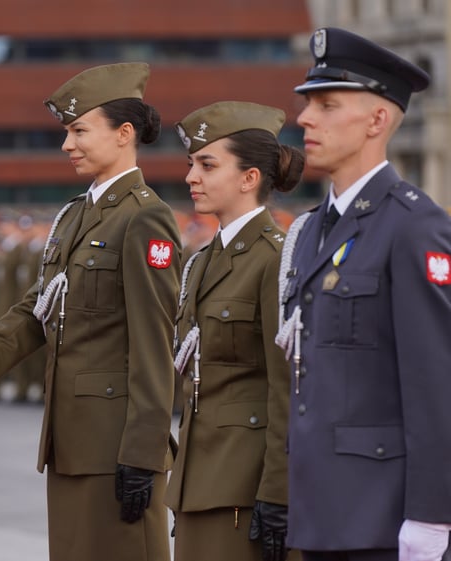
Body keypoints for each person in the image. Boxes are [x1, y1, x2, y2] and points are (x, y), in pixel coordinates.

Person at [0, 62, 181, 560]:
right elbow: (37, 309)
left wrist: (143, 455)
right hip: (73, 444)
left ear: (124, 134)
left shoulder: (145, 217)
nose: (67, 144)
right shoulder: (77, 214)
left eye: (79, 130)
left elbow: (156, 347)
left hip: (116, 450)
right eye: (66, 132)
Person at [276, 27, 451, 561]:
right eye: (308, 104)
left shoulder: (413, 227)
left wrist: (431, 518)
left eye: (328, 104)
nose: (305, 118)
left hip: (383, 522)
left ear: (377, 120)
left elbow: (437, 385)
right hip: (320, 512)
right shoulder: (311, 231)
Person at [164, 101, 304, 561]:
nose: (191, 177)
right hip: (198, 482)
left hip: (246, 489)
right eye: (191, 164)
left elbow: (288, 388)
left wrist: (279, 493)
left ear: (250, 178)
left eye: (207, 164)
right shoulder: (201, 262)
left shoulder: (274, 258)